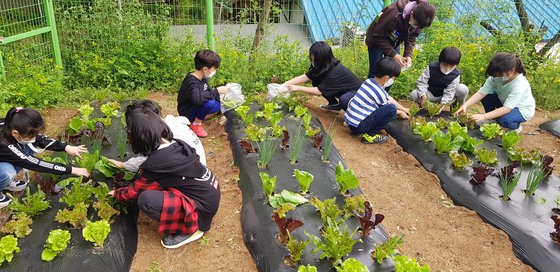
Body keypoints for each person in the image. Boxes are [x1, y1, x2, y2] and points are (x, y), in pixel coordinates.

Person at [108, 107, 220, 249]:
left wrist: (117, 194)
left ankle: (190, 229)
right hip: (210, 193)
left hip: (201, 209)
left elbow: (136, 191)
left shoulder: (159, 163)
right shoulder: (174, 143)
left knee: (146, 200)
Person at [0, 107, 90, 208]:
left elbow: (39, 139)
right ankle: (4, 180)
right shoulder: (4, 143)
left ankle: (5, 183)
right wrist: (72, 170)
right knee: (7, 172)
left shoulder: (10, 124)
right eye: (32, 135)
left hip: (5, 154)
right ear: (15, 133)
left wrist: (66, 147)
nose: (35, 138)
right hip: (4, 153)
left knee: (28, 148)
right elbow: (31, 163)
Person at [108, 100, 206, 172]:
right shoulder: (172, 123)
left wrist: (123, 165)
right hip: (199, 171)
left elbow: (146, 161)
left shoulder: (162, 142)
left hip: (190, 180)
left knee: (148, 196)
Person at [455, 52, 535, 132]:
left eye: (498, 75)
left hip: (521, 109)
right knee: (487, 96)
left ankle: (515, 127)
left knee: (504, 120)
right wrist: (465, 105)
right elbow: (481, 93)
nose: (495, 78)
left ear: (510, 71)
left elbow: (507, 108)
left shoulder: (520, 84)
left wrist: (483, 116)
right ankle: (492, 118)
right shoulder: (495, 77)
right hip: (505, 103)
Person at [365, 0, 436, 90]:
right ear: (412, 13)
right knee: (376, 71)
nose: (415, 26)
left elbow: (412, 36)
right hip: (376, 39)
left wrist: (408, 55)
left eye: (418, 26)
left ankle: (383, 97)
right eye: (415, 23)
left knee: (393, 71)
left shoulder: (421, 19)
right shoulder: (393, 14)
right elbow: (377, 36)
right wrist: (394, 54)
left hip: (394, 40)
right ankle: (368, 97)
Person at [343, 58, 410, 144]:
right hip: (359, 127)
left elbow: (387, 97)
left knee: (388, 108)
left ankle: (363, 130)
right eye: (393, 78)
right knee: (391, 109)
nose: (392, 80)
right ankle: (369, 136)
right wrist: (399, 112)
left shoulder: (368, 82)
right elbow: (388, 109)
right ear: (386, 78)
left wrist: (404, 109)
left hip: (352, 124)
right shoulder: (379, 92)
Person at [282, 41, 363, 112]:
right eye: (311, 54)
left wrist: (297, 88)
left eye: (313, 55)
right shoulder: (323, 65)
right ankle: (334, 105)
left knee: (344, 100)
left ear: (321, 57)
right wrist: (284, 84)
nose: (311, 57)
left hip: (357, 95)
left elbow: (318, 91)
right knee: (317, 80)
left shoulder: (335, 71)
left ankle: (353, 117)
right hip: (343, 91)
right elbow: (305, 77)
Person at [177, 50, 229, 138]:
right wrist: (217, 91)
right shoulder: (191, 82)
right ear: (205, 69)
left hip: (196, 106)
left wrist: (225, 99)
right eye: (214, 69)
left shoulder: (203, 78)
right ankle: (195, 124)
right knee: (210, 103)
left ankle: (200, 116)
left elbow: (209, 92)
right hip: (187, 111)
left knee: (218, 104)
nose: (214, 71)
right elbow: (197, 99)